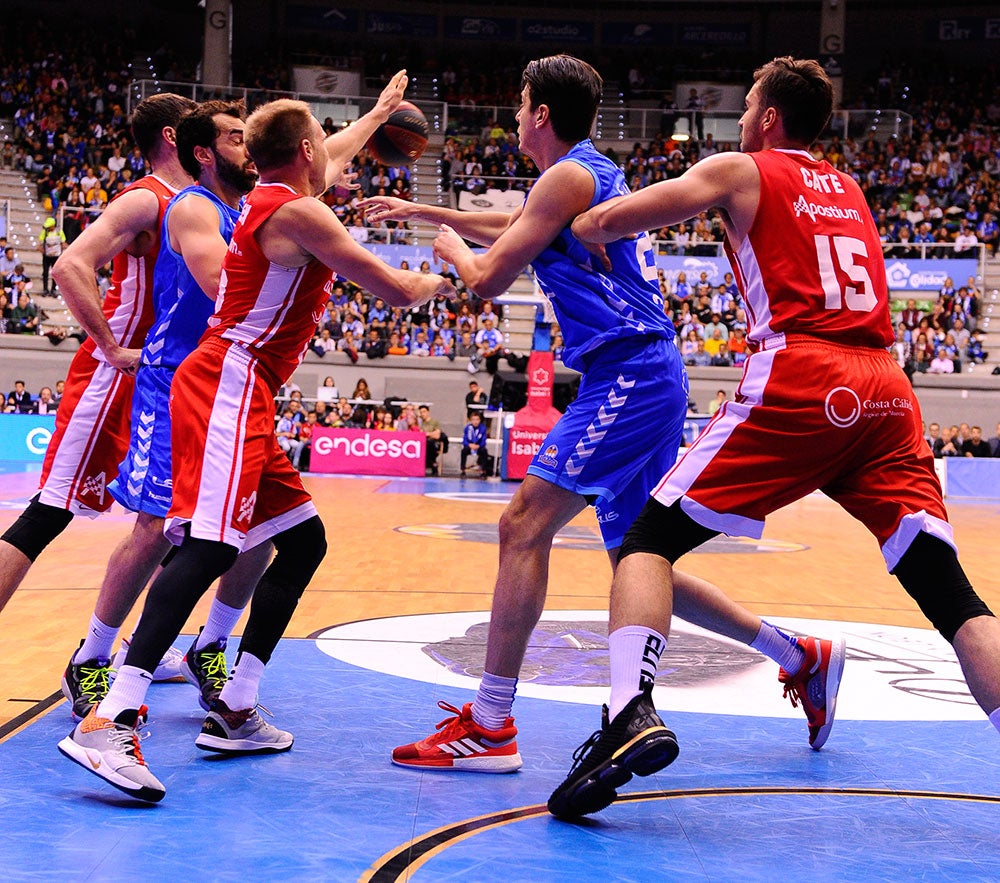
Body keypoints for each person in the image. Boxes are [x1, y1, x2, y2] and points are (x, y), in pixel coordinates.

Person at [362, 55, 841, 776]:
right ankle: (797, 653)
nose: (516, 118)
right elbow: (518, 223)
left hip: (630, 372)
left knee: (522, 524)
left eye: (522, 106)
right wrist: (428, 210)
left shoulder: (566, 178)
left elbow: (489, 277)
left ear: (542, 114)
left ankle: (490, 723)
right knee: (639, 563)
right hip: (648, 372)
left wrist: (451, 249)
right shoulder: (579, 174)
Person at [548, 56, 1000, 820]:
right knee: (951, 594)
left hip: (804, 372)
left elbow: (611, 219)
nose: (743, 117)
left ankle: (629, 710)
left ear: (767, 119)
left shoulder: (741, 168)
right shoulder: (851, 189)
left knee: (647, 542)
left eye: (748, 105)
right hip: (888, 388)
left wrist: (582, 222)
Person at [58, 73, 453, 802]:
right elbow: (394, 289)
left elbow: (326, 152)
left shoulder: (275, 195)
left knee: (302, 542)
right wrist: (452, 264)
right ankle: (107, 719)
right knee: (206, 544)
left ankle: (235, 703)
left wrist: (374, 115)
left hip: (247, 390)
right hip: (225, 384)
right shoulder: (298, 212)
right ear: (305, 153)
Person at [56, 100, 272, 722]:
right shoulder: (189, 206)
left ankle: (210, 645)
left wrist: (375, 118)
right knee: (152, 528)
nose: (249, 147)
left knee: (260, 529)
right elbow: (216, 285)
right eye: (237, 137)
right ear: (199, 149)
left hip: (230, 384)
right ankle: (92, 658)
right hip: (171, 382)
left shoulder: (247, 206)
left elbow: (314, 155)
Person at [0, 93, 197, 617]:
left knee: (175, 523)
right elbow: (69, 266)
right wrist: (110, 347)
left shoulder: (202, 199)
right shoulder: (146, 198)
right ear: (173, 137)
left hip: (169, 379)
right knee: (47, 514)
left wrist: (376, 118)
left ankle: (123, 651)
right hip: (114, 377)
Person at [38, 217, 67, 293]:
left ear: (53, 225)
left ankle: (53, 289)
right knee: (45, 273)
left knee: (55, 273)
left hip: (56, 257)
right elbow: (39, 245)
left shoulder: (59, 232)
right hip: (46, 257)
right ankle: (45, 289)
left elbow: (63, 243)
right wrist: (43, 251)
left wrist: (61, 249)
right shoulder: (44, 233)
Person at [418, 403, 447, 474]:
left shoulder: (434, 422)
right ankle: (433, 464)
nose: (422, 414)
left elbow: (437, 435)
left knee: (429, 444)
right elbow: (420, 434)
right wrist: (430, 434)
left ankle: (432, 464)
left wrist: (427, 434)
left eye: (424, 412)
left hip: (434, 443)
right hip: (424, 442)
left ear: (428, 412)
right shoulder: (420, 422)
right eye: (421, 412)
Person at [460, 411, 489, 475]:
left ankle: (483, 470)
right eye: (473, 420)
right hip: (469, 446)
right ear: (470, 420)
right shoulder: (467, 428)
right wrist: (469, 444)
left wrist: (478, 446)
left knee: (484, 451)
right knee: (464, 451)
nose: (475, 422)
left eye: (477, 419)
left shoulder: (483, 428)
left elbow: (484, 440)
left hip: (478, 447)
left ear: (480, 420)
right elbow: (464, 440)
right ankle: (462, 469)